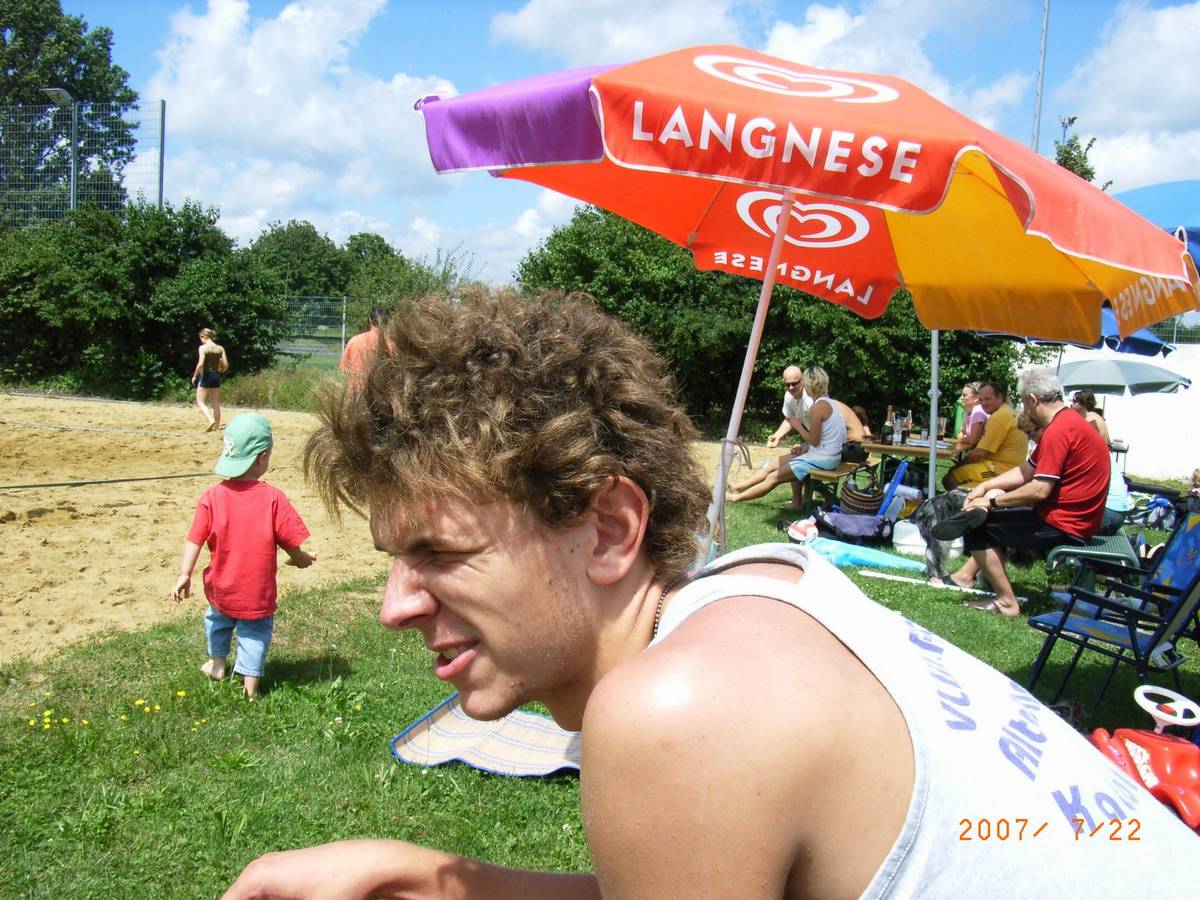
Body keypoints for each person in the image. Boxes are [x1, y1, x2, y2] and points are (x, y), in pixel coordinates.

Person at [223, 293, 1200, 899]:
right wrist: (434, 880)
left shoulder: (678, 712)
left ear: (611, 528)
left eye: (439, 553)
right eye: (396, 559)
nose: (396, 605)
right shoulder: (767, 586)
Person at [933, 367, 1111, 617]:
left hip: (1066, 524)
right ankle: (972, 576)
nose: (1024, 411)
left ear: (1033, 400)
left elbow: (1039, 490)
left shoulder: (1059, 431)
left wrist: (992, 502)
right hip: (1076, 519)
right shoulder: (1068, 422)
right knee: (985, 516)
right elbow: (1027, 470)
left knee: (977, 527)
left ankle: (1006, 602)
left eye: (1025, 405)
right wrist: (985, 486)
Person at [170, 413, 316, 698]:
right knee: (254, 633)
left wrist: (184, 574)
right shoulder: (273, 497)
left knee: (217, 622)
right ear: (263, 458)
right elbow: (289, 541)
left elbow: (194, 539)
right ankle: (250, 688)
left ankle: (218, 664)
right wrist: (301, 558)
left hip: (221, 586)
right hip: (256, 590)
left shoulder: (211, 497)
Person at [728, 366, 846, 503]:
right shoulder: (829, 403)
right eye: (787, 384)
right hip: (828, 456)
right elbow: (830, 438)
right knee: (776, 464)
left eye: (796, 383)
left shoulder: (817, 407)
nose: (791, 387)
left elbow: (814, 440)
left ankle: (734, 498)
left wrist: (798, 426)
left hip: (823, 459)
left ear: (806, 383)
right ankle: (739, 488)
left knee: (774, 477)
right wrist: (804, 447)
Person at [942, 381, 1028, 490]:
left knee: (950, 478)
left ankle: (964, 500)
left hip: (1000, 470)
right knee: (959, 472)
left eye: (987, 399)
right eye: (981, 400)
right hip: (1009, 468)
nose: (983, 403)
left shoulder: (999, 417)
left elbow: (979, 453)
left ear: (999, 397)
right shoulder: (1006, 411)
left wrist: (958, 466)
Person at [191, 327, 229, 432]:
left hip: (206, 375)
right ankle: (217, 426)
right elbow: (226, 365)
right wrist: (221, 370)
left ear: (203, 336)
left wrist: (195, 375)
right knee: (216, 403)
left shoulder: (203, 348)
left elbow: (200, 364)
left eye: (201, 338)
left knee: (200, 401)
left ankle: (210, 419)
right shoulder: (220, 348)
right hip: (216, 375)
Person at [340, 306, 391, 376]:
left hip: (355, 382)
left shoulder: (354, 341)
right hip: (381, 383)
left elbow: (343, 369)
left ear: (370, 320)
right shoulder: (391, 344)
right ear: (387, 322)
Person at [956, 381, 987, 447]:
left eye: (964, 395)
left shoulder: (978, 412)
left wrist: (960, 438)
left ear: (976, 398)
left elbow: (973, 440)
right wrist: (962, 436)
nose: (961, 398)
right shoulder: (968, 412)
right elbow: (963, 432)